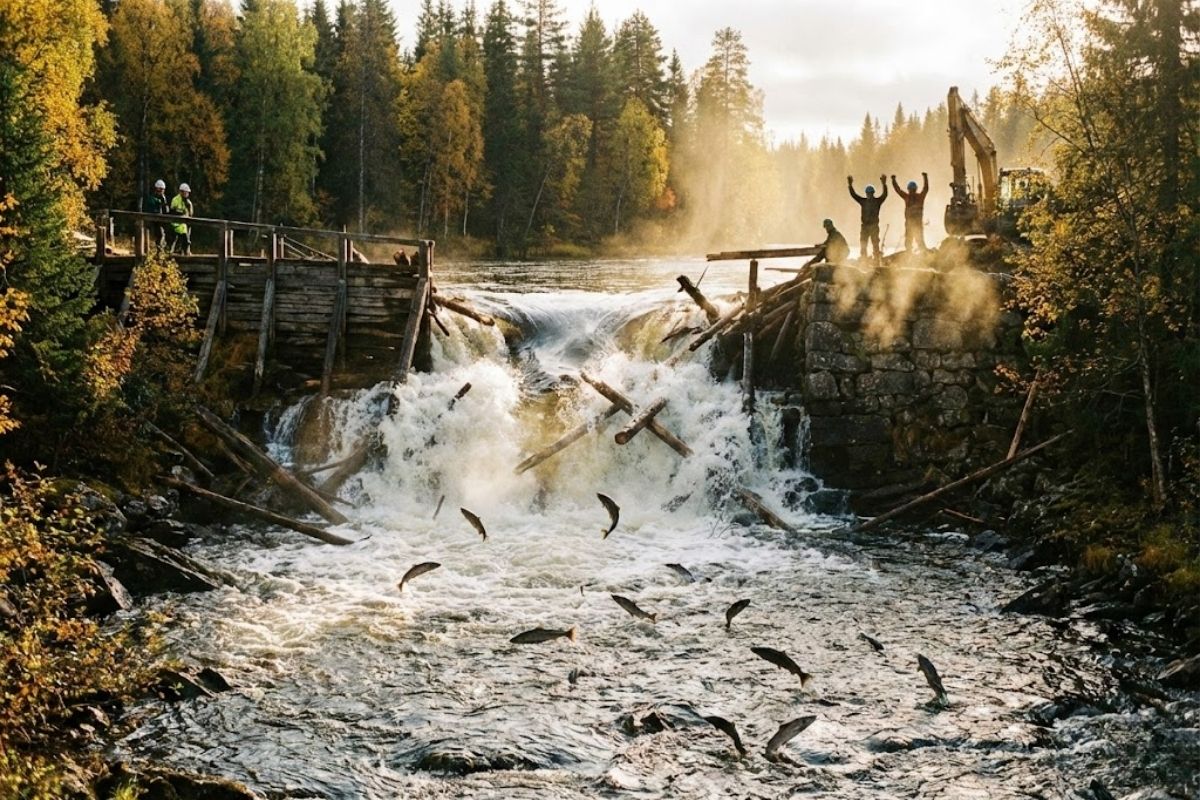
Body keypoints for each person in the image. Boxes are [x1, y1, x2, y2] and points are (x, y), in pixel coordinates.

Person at [847, 174, 888, 266]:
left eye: (870, 193)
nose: (869, 195)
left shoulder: (876, 201)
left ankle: (876, 262)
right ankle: (864, 261)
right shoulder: (864, 201)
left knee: (875, 244)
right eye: (868, 193)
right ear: (867, 194)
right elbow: (854, 195)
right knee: (864, 244)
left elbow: (885, 195)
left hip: (873, 226)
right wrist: (850, 185)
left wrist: (884, 184)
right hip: (865, 226)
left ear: (872, 193)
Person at [891, 172, 929, 252]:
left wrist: (893, 180)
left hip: (912, 224)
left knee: (912, 242)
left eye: (911, 190)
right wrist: (925, 177)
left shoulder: (908, 197)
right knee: (917, 242)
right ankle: (921, 255)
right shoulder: (919, 197)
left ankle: (914, 255)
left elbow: (898, 190)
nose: (911, 191)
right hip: (913, 224)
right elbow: (926, 189)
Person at [169, 183, 193, 255]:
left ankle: (185, 252)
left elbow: (191, 214)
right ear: (181, 192)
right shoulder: (175, 200)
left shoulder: (188, 202)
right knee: (175, 239)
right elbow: (172, 211)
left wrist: (189, 207)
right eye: (185, 192)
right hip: (175, 223)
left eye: (187, 192)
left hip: (183, 224)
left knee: (186, 240)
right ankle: (171, 253)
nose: (186, 194)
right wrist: (181, 213)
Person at [147, 178, 170, 249]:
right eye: (160, 190)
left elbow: (166, 211)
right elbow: (152, 209)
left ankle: (160, 250)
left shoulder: (163, 198)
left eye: (163, 190)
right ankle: (158, 250)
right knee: (159, 235)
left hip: (162, 221)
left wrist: (164, 202)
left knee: (163, 235)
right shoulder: (152, 198)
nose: (162, 192)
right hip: (154, 221)